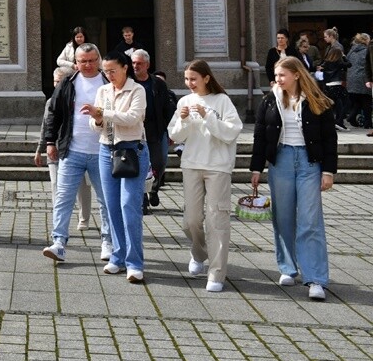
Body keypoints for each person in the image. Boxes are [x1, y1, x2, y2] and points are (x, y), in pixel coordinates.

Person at [250, 56, 337, 302]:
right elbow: (260, 136)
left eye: (282, 75)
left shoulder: (316, 100)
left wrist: (329, 171)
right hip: (281, 162)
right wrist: (256, 169)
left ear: (296, 75)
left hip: (310, 164)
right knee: (284, 217)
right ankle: (288, 268)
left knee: (310, 221)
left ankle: (315, 279)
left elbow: (330, 138)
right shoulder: (269, 101)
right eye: (276, 75)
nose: (277, 79)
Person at [168, 59, 242, 293]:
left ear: (206, 78)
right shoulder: (184, 101)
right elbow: (176, 136)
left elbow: (231, 132)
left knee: (216, 220)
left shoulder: (222, 101)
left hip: (218, 166)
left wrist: (208, 116)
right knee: (190, 220)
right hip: (191, 164)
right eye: (187, 79)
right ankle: (199, 252)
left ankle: (217, 273)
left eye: (194, 79)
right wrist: (183, 119)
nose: (190, 83)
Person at [41, 43, 113, 265]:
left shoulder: (108, 83)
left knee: (106, 200)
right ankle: (59, 243)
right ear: (76, 63)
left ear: (98, 60)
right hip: (72, 149)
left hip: (102, 151)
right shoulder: (68, 82)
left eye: (92, 60)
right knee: (63, 197)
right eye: (83, 61)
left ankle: (108, 242)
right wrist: (50, 141)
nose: (88, 65)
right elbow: (53, 112)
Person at [86, 51, 148, 283]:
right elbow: (95, 125)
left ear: (125, 68)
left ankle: (135, 263)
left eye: (113, 70)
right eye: (106, 71)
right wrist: (98, 119)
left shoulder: (137, 89)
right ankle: (117, 257)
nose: (109, 75)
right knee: (111, 206)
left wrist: (103, 114)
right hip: (106, 149)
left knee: (129, 205)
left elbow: (133, 118)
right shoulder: (103, 91)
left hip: (132, 150)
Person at [35, 67, 94, 232]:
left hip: (75, 147)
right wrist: (42, 147)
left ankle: (84, 218)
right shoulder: (50, 102)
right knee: (56, 185)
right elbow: (45, 126)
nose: (57, 85)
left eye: (60, 81)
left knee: (83, 185)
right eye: (55, 81)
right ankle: (58, 221)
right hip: (55, 147)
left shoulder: (78, 98)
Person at [131, 49, 175, 210]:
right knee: (139, 165)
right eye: (133, 63)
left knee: (160, 161)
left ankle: (154, 188)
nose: (135, 66)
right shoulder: (128, 82)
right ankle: (142, 197)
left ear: (147, 65)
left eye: (139, 63)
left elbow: (167, 109)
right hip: (135, 131)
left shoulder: (158, 84)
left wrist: (170, 130)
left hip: (156, 129)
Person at [319, 28, 351, 130]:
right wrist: (344, 57)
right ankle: (338, 121)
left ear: (331, 36)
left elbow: (327, 63)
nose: (324, 39)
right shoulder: (334, 51)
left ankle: (337, 121)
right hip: (335, 81)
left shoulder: (335, 48)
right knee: (342, 102)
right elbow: (348, 64)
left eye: (325, 36)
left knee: (335, 102)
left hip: (330, 81)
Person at [346, 33, 370, 131]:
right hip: (362, 79)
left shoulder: (351, 51)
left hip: (351, 78)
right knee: (366, 101)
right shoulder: (366, 51)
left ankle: (352, 118)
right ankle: (368, 123)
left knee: (357, 101)